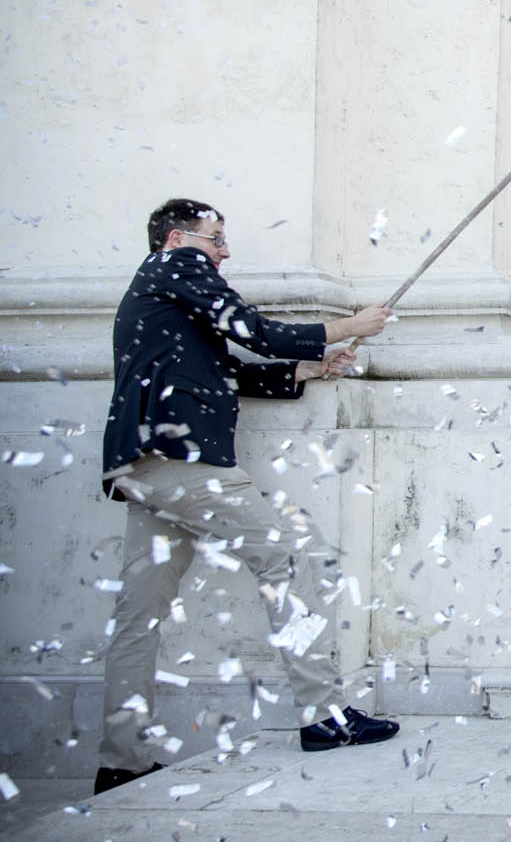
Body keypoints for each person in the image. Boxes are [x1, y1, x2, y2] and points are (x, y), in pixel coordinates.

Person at [95, 199, 401, 794]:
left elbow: (221, 369)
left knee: (140, 614)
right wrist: (346, 327)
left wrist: (311, 369)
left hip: (146, 464)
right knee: (288, 559)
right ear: (180, 237)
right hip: (185, 462)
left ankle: (121, 761)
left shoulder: (157, 290)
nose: (224, 252)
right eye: (216, 239)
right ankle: (325, 716)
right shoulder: (178, 267)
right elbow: (253, 332)